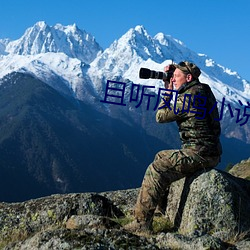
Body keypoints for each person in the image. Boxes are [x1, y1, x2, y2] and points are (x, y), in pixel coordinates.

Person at [124, 61, 222, 233]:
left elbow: (160, 117)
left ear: (189, 78)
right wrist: (174, 73)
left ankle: (141, 224)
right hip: (210, 151)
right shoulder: (203, 90)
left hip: (199, 153)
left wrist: (167, 93)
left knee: (157, 168)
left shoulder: (189, 98)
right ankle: (161, 209)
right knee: (161, 156)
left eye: (177, 77)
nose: (173, 80)